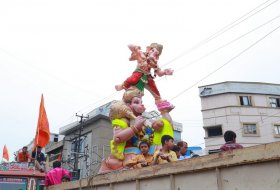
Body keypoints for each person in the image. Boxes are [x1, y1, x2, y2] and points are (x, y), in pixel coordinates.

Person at [115, 43, 174, 112]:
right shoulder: (141, 54)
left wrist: (165, 72)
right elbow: (130, 52)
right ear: (149, 49)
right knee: (133, 79)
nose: (154, 53)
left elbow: (159, 73)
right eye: (153, 51)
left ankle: (158, 100)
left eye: (157, 53)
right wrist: (136, 48)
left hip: (148, 76)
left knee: (154, 87)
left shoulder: (154, 62)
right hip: (139, 72)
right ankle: (122, 86)